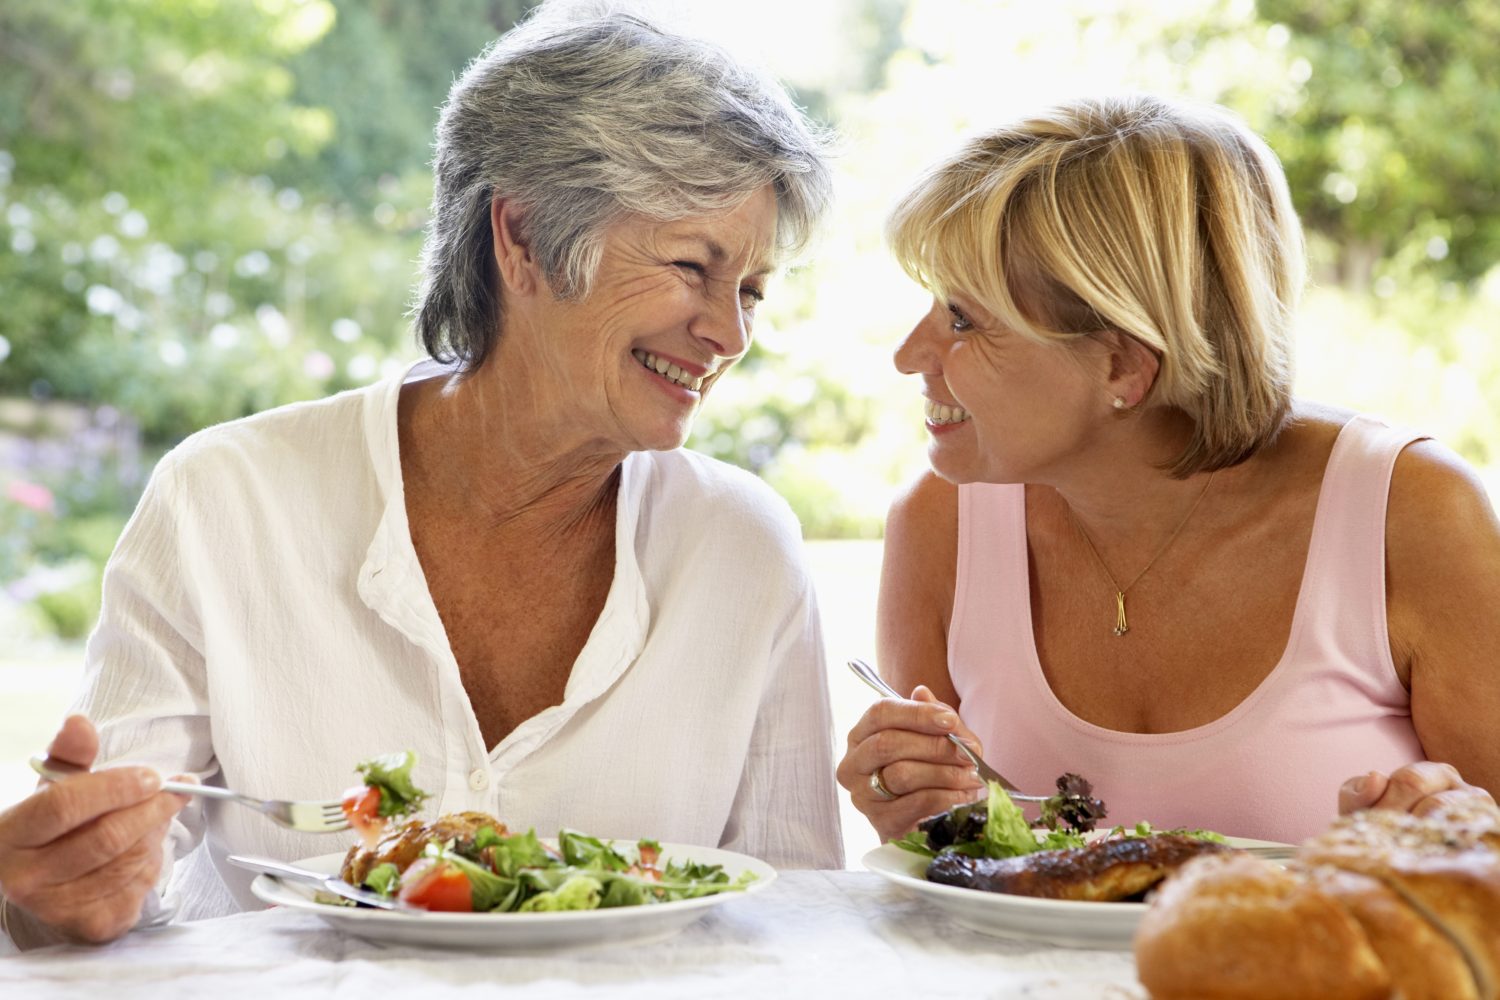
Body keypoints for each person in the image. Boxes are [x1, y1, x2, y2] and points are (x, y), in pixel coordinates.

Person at [0, 7, 843, 948]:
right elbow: (101, 896)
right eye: (694, 266)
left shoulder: (744, 551)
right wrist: (67, 881)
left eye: (754, 290)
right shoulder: (223, 502)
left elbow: (793, 921)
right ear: (520, 238)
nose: (730, 335)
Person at [836, 95, 1500, 847]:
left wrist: (1456, 840)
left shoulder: (1408, 513)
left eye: (963, 319)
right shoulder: (941, 521)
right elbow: (947, 873)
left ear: (1123, 364)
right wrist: (913, 812)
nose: (907, 356)